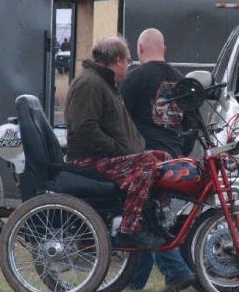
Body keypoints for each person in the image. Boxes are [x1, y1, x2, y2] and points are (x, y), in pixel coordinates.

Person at [64, 35, 170, 249]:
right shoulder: (90, 83)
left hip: (105, 159)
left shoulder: (104, 82)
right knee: (147, 163)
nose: (129, 66)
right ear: (119, 60)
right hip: (88, 162)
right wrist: (118, 152)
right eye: (129, 61)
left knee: (163, 160)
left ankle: (151, 220)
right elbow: (85, 128)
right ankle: (129, 229)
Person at [118, 28, 197, 292]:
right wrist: (180, 154)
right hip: (174, 159)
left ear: (139, 50)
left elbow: (121, 121)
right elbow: (190, 126)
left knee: (147, 219)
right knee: (149, 216)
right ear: (164, 49)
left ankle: (177, 272)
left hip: (147, 160)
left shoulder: (134, 78)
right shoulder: (181, 80)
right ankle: (134, 282)